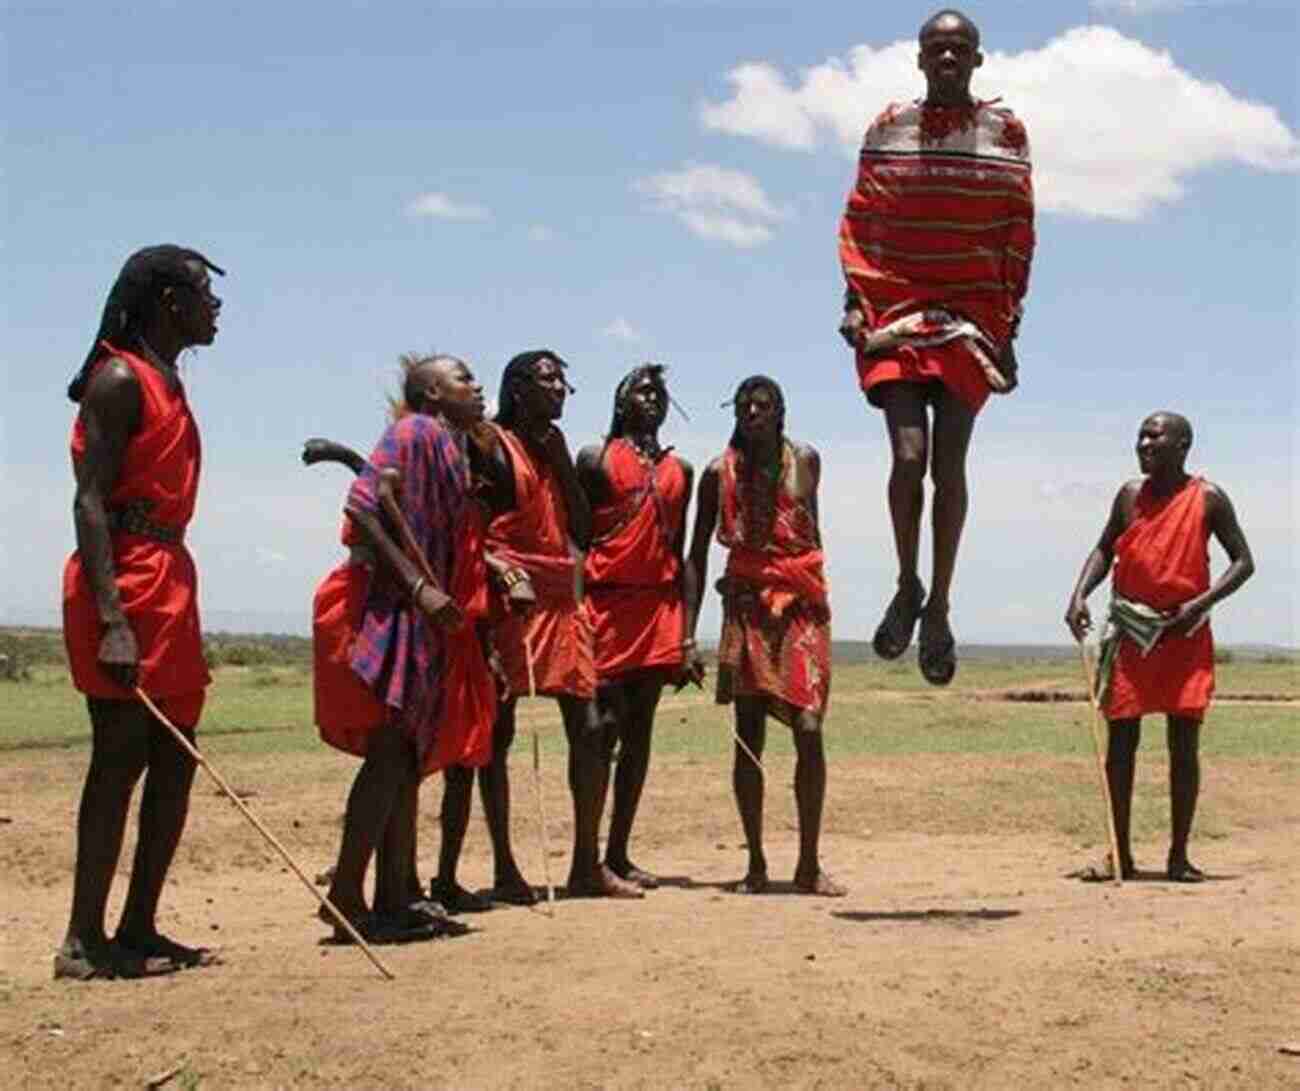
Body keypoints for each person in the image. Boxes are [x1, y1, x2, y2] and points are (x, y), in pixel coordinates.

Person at [838, 8, 1035, 685]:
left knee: (947, 467)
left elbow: (1016, 229)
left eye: (959, 49)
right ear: (920, 59)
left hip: (971, 319)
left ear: (977, 60)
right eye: (936, 49)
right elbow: (863, 219)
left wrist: (1009, 326)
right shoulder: (888, 129)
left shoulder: (1003, 132)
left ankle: (942, 605)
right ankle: (907, 582)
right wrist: (854, 304)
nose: (947, 58)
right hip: (895, 309)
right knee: (907, 455)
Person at [58, 245, 225, 979]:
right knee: (119, 756)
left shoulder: (169, 381)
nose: (214, 307)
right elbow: (89, 499)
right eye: (201, 292)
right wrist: (115, 618)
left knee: (176, 758)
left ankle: (139, 925)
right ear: (166, 301)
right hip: (122, 575)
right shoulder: (121, 379)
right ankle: (82, 939)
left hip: (169, 576)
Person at [312, 353, 503, 940]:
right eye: (463, 379)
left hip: (427, 618)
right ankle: (346, 896)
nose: (476, 386)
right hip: (394, 609)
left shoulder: (449, 445)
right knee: (391, 752)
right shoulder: (414, 431)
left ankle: (396, 895)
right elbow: (365, 506)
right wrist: (420, 587)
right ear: (433, 393)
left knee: (407, 759)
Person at [466, 350, 643, 901]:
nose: (563, 388)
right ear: (518, 389)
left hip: (562, 597)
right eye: (549, 379)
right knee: (499, 732)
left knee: (592, 729)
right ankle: (505, 869)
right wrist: (497, 577)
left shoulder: (554, 447)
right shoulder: (490, 444)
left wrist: (559, 462)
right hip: (509, 595)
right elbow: (472, 530)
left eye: (564, 379)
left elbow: (583, 528)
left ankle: (586, 866)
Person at [1065, 412, 1254, 882]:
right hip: (1132, 632)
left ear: (1183, 444)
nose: (1143, 444)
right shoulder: (1130, 496)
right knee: (1121, 744)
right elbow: (1105, 549)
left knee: (1183, 746)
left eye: (1155, 436)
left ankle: (1178, 857)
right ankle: (1119, 854)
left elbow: (1243, 562)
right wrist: (1079, 593)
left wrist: (1199, 604)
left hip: (1183, 634)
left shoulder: (1208, 498)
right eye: (1140, 437)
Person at [685, 376, 842, 897]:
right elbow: (698, 554)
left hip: (799, 605)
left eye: (764, 405)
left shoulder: (807, 460)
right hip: (747, 606)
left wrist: (808, 586)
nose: (753, 412)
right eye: (746, 405)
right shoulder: (716, 474)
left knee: (810, 727)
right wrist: (687, 635)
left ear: (780, 412)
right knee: (748, 734)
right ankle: (755, 862)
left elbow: (810, 532)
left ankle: (809, 864)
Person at [576, 364, 700, 889]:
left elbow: (683, 551)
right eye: (641, 391)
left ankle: (619, 853)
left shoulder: (682, 470)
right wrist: (576, 612)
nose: (652, 399)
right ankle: (587, 859)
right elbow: (576, 540)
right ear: (620, 400)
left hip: (657, 610)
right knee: (600, 728)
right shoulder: (594, 458)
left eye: (659, 393)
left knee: (640, 733)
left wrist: (688, 633)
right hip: (603, 606)